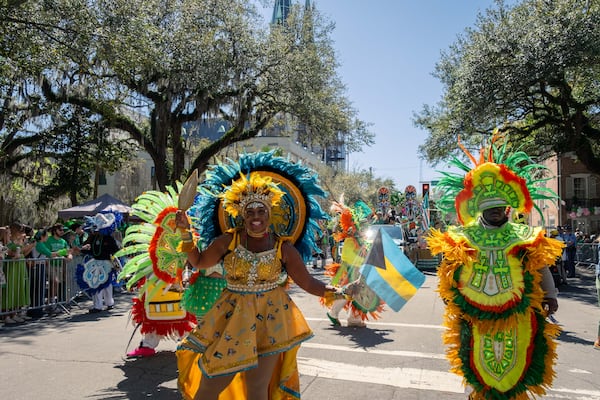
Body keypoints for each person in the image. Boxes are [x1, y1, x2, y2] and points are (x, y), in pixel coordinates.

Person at [175, 170, 355, 400]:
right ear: (242, 215)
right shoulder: (229, 240)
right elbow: (199, 262)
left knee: (258, 390)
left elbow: (308, 282)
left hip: (271, 322)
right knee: (210, 385)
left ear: (271, 213)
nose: (255, 216)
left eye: (261, 211)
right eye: (249, 212)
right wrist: (184, 232)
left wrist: (339, 292)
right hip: (232, 319)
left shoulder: (284, 248)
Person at [426, 134, 563, 399]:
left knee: (518, 364)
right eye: (491, 208)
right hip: (475, 315)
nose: (496, 211)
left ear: (507, 209)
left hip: (518, 314)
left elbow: (540, 266)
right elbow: (450, 268)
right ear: (480, 209)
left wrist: (551, 295)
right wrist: (448, 295)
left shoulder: (523, 234)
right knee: (474, 367)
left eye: (500, 207)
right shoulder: (463, 236)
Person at [79, 213, 121, 313]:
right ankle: (98, 305)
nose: (95, 231)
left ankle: (109, 303)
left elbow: (115, 249)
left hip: (106, 263)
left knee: (107, 284)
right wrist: (83, 249)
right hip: (95, 263)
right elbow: (88, 249)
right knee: (95, 284)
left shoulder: (108, 238)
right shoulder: (92, 238)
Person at [2, 222, 35, 324]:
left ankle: (14, 313)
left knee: (17, 290)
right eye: (20, 230)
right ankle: (6, 315)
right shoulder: (8, 243)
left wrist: (30, 245)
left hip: (19, 267)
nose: (22, 232)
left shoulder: (18, 242)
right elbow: (11, 253)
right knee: (10, 291)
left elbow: (23, 253)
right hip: (11, 269)